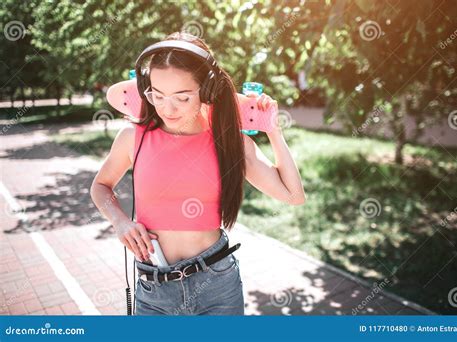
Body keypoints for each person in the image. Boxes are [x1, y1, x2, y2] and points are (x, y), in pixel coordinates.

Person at [90, 31, 306, 315]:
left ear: (206, 91)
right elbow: (101, 186)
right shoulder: (133, 136)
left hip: (216, 285)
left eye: (182, 97)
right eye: (158, 95)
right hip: (154, 287)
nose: (168, 108)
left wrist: (273, 131)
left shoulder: (229, 141)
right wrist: (119, 222)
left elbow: (293, 195)